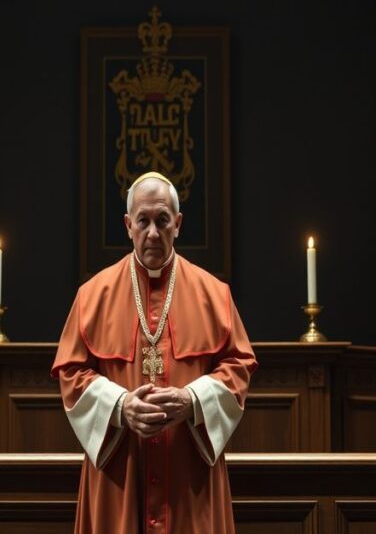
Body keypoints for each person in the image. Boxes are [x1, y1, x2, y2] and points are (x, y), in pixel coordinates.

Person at [52, 172, 257, 533]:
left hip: (189, 476)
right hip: (120, 472)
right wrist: (120, 406)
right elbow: (71, 371)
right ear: (127, 225)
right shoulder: (92, 295)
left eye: (162, 220)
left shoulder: (214, 294)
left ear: (177, 224)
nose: (152, 232)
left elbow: (238, 366)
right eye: (142, 221)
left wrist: (192, 400)